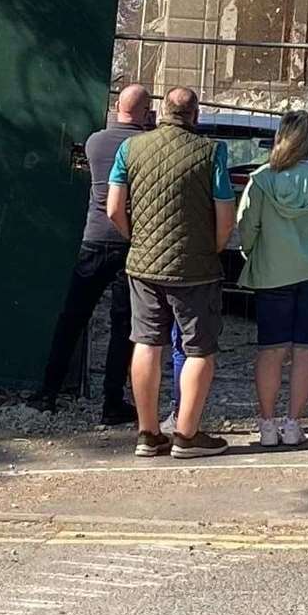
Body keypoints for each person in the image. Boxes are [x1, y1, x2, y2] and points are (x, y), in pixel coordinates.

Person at [107, 85, 234, 459]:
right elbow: (225, 216)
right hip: (195, 266)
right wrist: (213, 246)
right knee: (198, 349)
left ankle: (147, 433)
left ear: (161, 111)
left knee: (146, 342)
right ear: (195, 114)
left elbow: (114, 209)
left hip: (143, 264)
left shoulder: (129, 149)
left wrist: (138, 238)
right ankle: (186, 434)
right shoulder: (212, 152)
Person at [33, 83, 156, 424]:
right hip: (131, 242)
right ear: (146, 112)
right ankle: (111, 402)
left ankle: (48, 392)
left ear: (118, 106)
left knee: (73, 318)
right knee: (123, 325)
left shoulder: (95, 142)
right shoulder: (145, 146)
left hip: (94, 239)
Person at [236, 108, 308, 448]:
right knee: (307, 349)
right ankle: (294, 422)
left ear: (280, 136)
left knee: (271, 349)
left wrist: (251, 252)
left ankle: (267, 424)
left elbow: (247, 227)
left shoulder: (262, 179)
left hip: (272, 271)